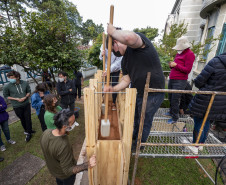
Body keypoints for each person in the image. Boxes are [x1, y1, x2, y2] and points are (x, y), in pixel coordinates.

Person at [104, 24, 165, 148]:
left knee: (143, 120)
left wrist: (113, 31)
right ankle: (134, 137)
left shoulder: (137, 45)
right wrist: (113, 88)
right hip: (140, 93)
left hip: (153, 92)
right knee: (137, 118)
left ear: (116, 42)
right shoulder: (125, 60)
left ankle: (138, 145)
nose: (115, 53)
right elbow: (126, 80)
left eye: (112, 49)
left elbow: (129, 37)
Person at [40, 109, 96, 185]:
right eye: (73, 123)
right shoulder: (63, 145)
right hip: (65, 176)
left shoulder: (46, 132)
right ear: (65, 126)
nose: (74, 124)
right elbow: (68, 170)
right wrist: (87, 164)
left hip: (55, 171)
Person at [189, 52, 226, 152]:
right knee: (207, 121)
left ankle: (195, 146)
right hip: (221, 102)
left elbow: (199, 82)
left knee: (199, 121)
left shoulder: (216, 61)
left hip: (206, 99)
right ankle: (201, 144)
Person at [166, 36, 195, 124]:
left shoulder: (190, 54)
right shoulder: (179, 53)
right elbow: (176, 65)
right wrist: (172, 65)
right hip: (173, 78)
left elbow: (187, 70)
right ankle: (171, 112)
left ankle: (175, 117)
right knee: (170, 97)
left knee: (175, 99)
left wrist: (176, 66)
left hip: (180, 80)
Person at [3, 71, 34, 142]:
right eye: (9, 78)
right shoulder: (7, 86)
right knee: (22, 119)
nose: (10, 79)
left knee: (28, 118)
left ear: (17, 77)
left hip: (26, 104)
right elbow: (6, 96)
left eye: (12, 77)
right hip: (16, 106)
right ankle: (26, 130)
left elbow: (29, 91)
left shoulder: (24, 83)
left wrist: (25, 97)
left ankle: (29, 132)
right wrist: (16, 99)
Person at [99, 39, 122, 110]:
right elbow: (100, 58)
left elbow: (117, 63)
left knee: (114, 85)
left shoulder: (119, 47)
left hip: (115, 70)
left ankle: (113, 103)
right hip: (105, 69)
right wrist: (101, 55)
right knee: (105, 85)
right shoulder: (103, 45)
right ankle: (104, 101)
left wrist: (108, 70)